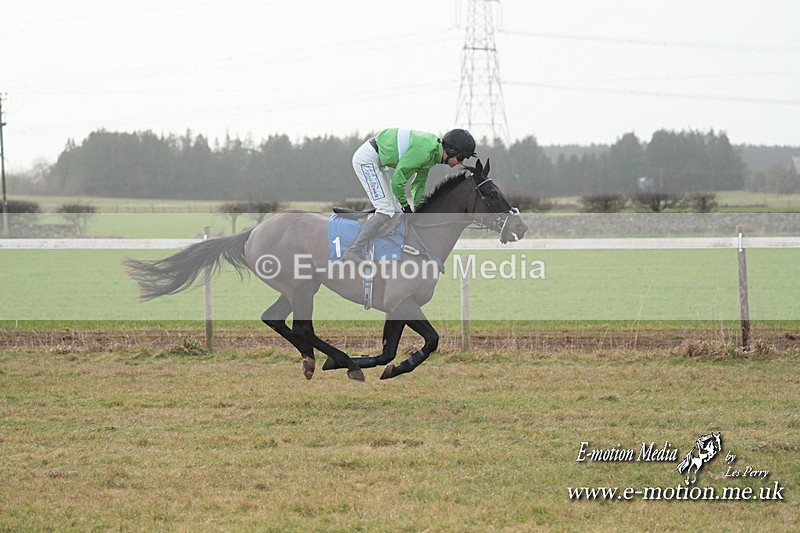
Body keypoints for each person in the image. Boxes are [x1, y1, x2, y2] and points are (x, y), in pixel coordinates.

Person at [342, 127, 477, 262]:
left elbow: (418, 185)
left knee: (395, 212)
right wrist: (406, 207)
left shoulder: (432, 154)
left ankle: (380, 250)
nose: (461, 162)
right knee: (386, 210)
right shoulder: (424, 151)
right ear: (451, 150)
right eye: (461, 157)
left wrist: (419, 211)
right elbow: (398, 182)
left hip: (379, 161)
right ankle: (353, 250)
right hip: (367, 160)